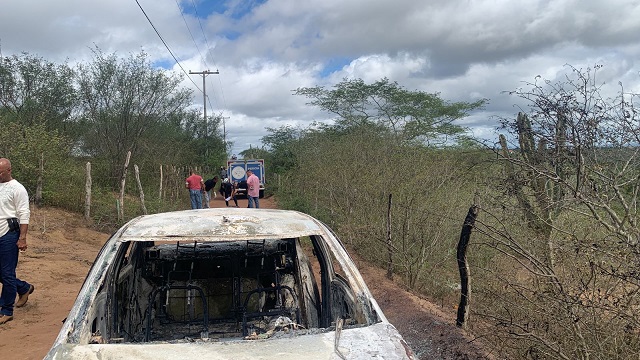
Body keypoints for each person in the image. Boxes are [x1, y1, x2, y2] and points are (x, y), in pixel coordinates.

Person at [0, 158, 34, 325]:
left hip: (9, 234)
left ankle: (6, 310)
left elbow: (24, 213)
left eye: (0, 172)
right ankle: (23, 287)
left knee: (7, 273)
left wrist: (22, 237)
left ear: (9, 170)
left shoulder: (17, 189)